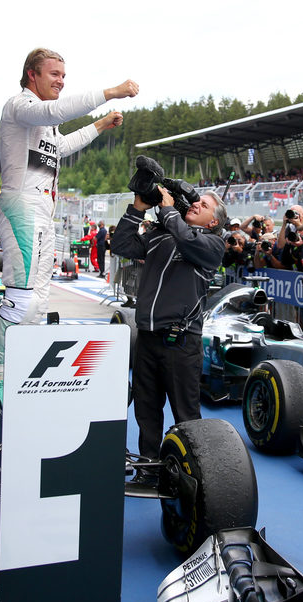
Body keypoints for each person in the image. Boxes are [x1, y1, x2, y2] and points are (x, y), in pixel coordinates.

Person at [0, 46, 138, 401]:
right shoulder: (19, 106)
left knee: (37, 303)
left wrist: (99, 126)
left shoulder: (44, 124)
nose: (61, 81)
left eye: (64, 76)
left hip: (42, 212)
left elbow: (61, 146)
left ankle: (20, 373)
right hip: (21, 209)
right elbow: (56, 110)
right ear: (32, 75)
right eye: (54, 74)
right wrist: (111, 93)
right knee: (22, 302)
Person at [110, 186, 226, 467]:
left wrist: (167, 209)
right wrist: (137, 209)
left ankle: (197, 477)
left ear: (213, 222)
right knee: (146, 413)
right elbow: (121, 246)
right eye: (195, 201)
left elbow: (186, 239)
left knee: (186, 416)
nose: (196, 204)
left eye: (204, 205)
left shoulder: (213, 244)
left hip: (181, 342)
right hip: (147, 338)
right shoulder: (162, 233)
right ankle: (148, 468)